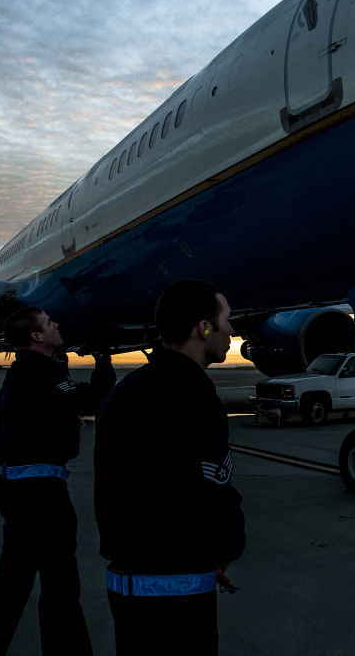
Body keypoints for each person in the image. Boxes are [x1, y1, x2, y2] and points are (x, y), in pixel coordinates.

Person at [94, 279, 246, 655]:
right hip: (178, 592)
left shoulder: (124, 391)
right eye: (226, 319)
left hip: (125, 586)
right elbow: (214, 492)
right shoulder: (196, 396)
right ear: (203, 327)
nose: (232, 330)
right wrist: (228, 546)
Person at [0, 307, 113, 656]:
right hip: (42, 496)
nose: (57, 324)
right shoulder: (43, 374)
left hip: (19, 489)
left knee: (12, 582)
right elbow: (92, 399)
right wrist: (103, 359)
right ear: (36, 336)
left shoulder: (23, 374)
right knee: (60, 586)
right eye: (48, 324)